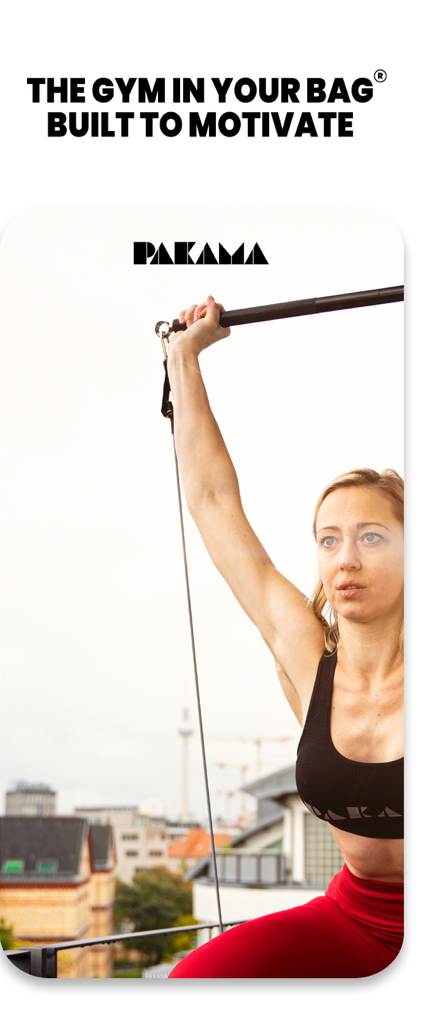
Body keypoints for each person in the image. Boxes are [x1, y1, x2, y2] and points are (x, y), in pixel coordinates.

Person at [167, 296, 403, 979]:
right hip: (354, 917)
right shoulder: (306, 656)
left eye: (371, 537)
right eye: (328, 540)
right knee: (192, 982)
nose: (345, 559)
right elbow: (213, 503)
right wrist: (183, 357)